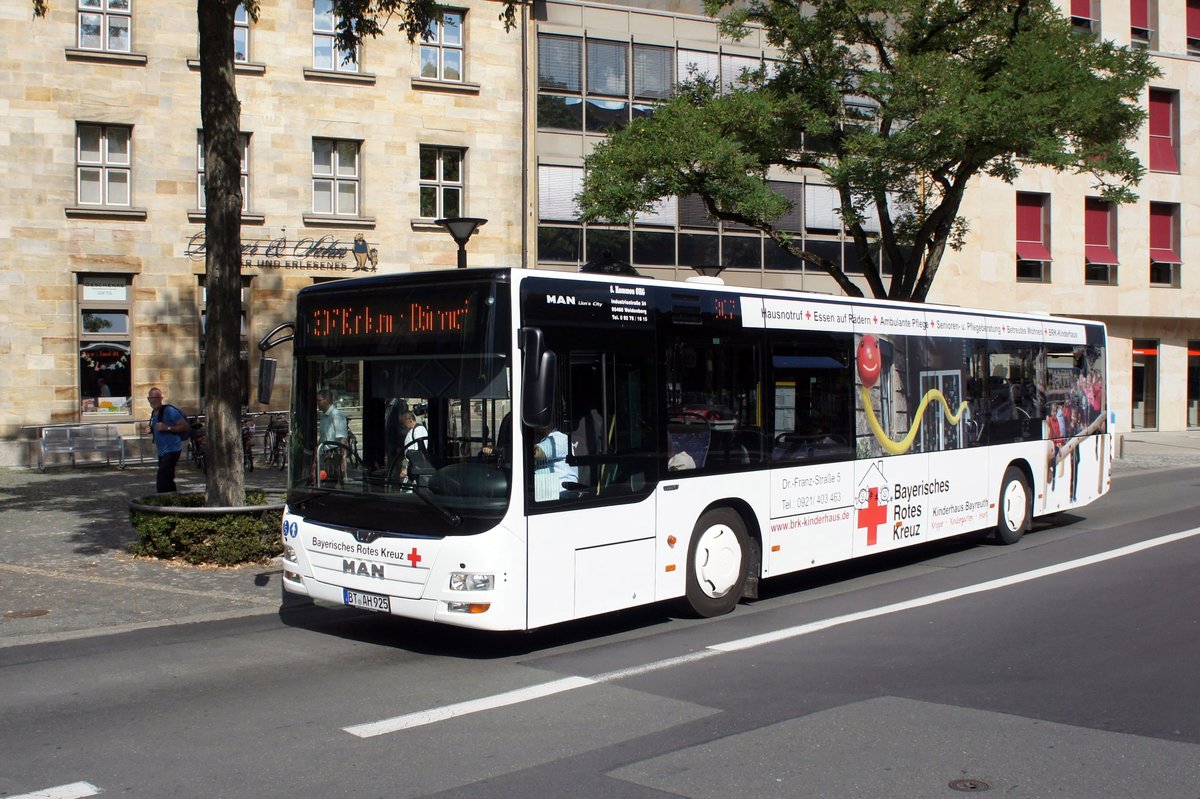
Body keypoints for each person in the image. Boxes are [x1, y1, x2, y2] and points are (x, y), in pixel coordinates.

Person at [147, 387, 188, 493]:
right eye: (151, 398)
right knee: (168, 479)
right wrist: (151, 429)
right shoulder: (154, 412)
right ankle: (173, 503)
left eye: (156, 397)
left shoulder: (169, 410)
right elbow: (158, 428)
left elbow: (184, 426)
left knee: (162, 480)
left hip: (172, 450)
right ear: (148, 399)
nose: (153, 400)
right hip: (162, 451)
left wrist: (167, 428)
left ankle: (163, 505)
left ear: (161, 398)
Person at [533, 424, 577, 498]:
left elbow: (536, 453)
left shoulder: (558, 438)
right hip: (546, 497)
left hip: (562, 495)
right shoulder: (543, 441)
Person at [316, 389, 348, 484]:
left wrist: (343, 459)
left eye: (319, 400)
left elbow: (343, 438)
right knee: (324, 483)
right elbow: (322, 437)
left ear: (326, 400)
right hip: (325, 455)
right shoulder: (324, 416)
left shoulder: (336, 415)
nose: (317, 403)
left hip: (334, 456)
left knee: (332, 483)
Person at [399, 411, 431, 484]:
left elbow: (417, 452)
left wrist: (407, 469)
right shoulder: (412, 430)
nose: (403, 425)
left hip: (416, 467)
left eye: (403, 422)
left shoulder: (419, 430)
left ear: (409, 420)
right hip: (412, 466)